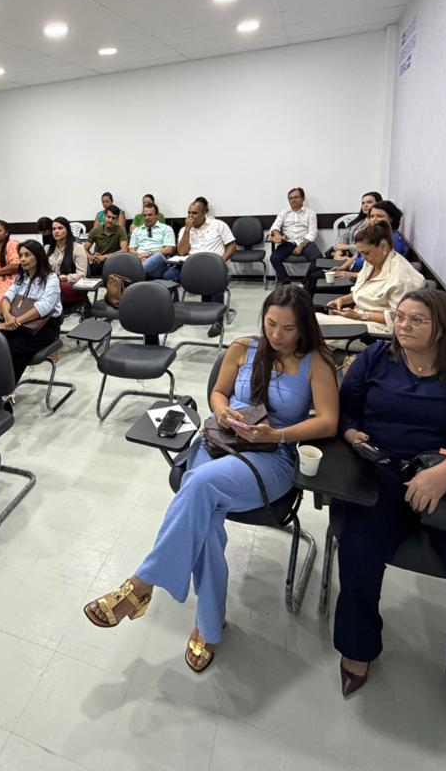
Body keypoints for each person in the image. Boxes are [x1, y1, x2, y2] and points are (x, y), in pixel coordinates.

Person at [82, 284, 338, 672]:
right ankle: (208, 624)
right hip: (222, 441)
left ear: (303, 327)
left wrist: (278, 434)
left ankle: (141, 584)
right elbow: (218, 393)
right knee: (207, 517)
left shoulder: (315, 363)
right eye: (271, 324)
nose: (277, 335)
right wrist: (222, 413)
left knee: (198, 486)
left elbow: (328, 422)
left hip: (273, 455)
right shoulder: (243, 348)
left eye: (288, 328)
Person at [334, 289, 446, 753]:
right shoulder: (376, 359)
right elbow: (344, 408)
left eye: (417, 320)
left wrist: (444, 473)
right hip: (383, 474)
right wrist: (352, 432)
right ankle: (357, 647)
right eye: (400, 317)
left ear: (442, 328)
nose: (403, 325)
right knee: (357, 548)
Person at [320, 223, 425, 334]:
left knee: (314, 325)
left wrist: (360, 316)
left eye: (366, 253)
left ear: (383, 245)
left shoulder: (401, 276)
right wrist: (342, 300)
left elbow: (400, 317)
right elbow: (364, 291)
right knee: (313, 323)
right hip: (360, 319)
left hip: (379, 329)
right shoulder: (372, 262)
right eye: (361, 253)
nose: (363, 258)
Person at [165, 197, 237, 337]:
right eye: (189, 213)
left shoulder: (218, 225)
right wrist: (187, 230)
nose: (190, 216)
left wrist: (221, 261)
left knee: (215, 276)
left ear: (204, 213)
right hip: (190, 267)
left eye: (194, 213)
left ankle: (217, 321)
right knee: (168, 276)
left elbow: (232, 246)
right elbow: (182, 252)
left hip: (213, 267)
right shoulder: (185, 229)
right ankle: (177, 316)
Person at [0, 240, 64, 382]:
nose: (22, 259)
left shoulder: (51, 278)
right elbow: (7, 297)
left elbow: (44, 307)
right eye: (20, 255)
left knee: (16, 346)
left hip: (45, 325)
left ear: (38, 256)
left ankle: (4, 387)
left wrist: (16, 322)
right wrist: (8, 317)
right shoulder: (21, 277)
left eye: (27, 255)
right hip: (19, 323)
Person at [329, 200, 406, 277]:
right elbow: (358, 255)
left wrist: (349, 274)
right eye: (372, 216)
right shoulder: (375, 234)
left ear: (391, 218)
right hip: (355, 271)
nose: (374, 219)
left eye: (380, 216)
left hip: (361, 277)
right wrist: (342, 268)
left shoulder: (392, 241)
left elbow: (382, 274)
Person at [267, 187, 320, 283]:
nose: (293, 200)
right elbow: (275, 226)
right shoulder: (283, 212)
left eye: (296, 197)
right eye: (290, 198)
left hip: (305, 242)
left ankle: (305, 284)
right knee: (274, 258)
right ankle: (286, 283)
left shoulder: (310, 213)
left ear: (303, 199)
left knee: (318, 258)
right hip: (288, 242)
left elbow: (313, 232)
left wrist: (301, 246)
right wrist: (277, 234)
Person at [47, 216, 89, 312]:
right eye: (54, 229)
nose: (56, 231)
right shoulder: (48, 249)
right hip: (53, 283)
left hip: (70, 284)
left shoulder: (77, 248)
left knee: (59, 286)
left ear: (67, 230)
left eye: (60, 228)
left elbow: (82, 275)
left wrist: (67, 278)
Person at [129, 204, 176, 279]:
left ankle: (130, 277)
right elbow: (131, 250)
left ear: (157, 215)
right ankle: (137, 275)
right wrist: (140, 255)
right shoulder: (136, 230)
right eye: (145, 215)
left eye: (150, 215)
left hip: (158, 265)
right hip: (140, 259)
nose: (147, 217)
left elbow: (169, 249)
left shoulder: (166, 229)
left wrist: (148, 255)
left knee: (158, 256)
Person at [332, 191, 383, 258]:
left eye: (369, 202)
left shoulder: (380, 224)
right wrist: (338, 252)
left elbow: (367, 247)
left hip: (363, 259)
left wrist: (347, 247)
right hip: (346, 257)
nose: (365, 205)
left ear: (379, 204)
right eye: (363, 203)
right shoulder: (358, 221)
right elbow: (342, 239)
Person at [85, 205, 129, 276]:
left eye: (113, 218)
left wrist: (105, 257)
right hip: (99, 263)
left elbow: (124, 250)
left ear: (117, 219)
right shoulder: (95, 230)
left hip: (115, 262)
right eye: (108, 217)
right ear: (104, 217)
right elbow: (84, 249)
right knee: (86, 271)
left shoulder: (121, 230)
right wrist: (91, 257)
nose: (110, 220)